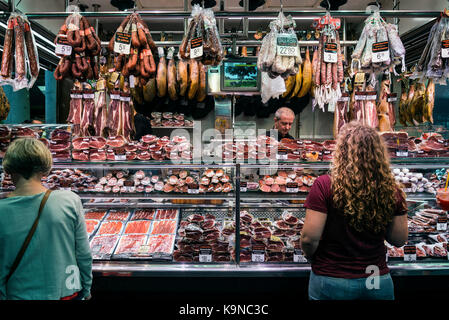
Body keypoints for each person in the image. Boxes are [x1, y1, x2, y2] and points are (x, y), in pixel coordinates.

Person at [300, 122, 408, 300]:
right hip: (374, 276)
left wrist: (313, 259)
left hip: (331, 277)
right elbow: (398, 239)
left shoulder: (325, 184)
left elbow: (308, 239)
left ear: (341, 151)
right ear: (379, 153)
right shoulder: (391, 189)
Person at [0, 138, 92, 300]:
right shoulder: (69, 200)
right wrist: (86, 288)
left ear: (9, 168)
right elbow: (83, 254)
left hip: (19, 295)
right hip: (65, 292)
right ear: (45, 168)